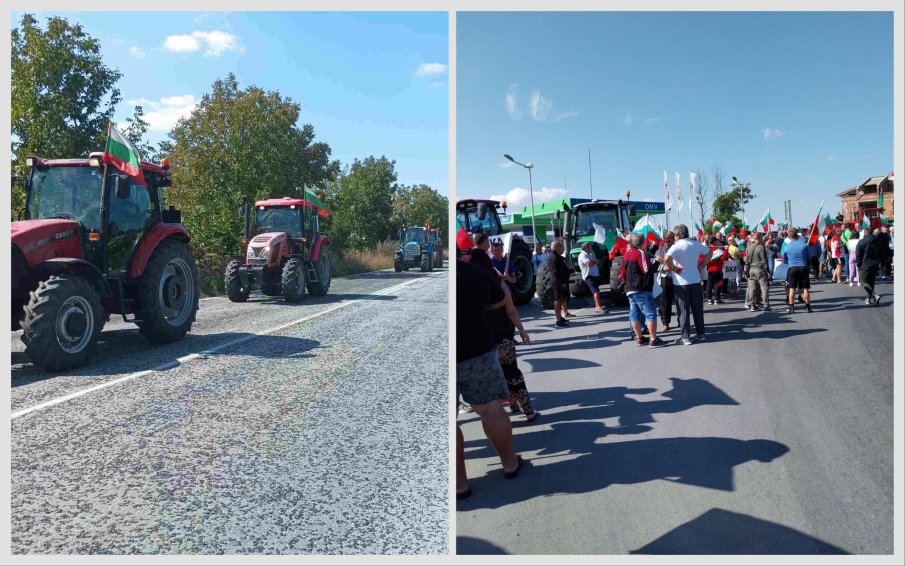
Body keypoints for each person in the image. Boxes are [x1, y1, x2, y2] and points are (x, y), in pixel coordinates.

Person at [456, 260, 524, 499]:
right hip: (477, 351)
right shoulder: (476, 272)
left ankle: (459, 484)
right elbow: (498, 302)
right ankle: (509, 463)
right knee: (490, 409)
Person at [664, 224, 712, 345]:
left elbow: (666, 258)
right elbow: (709, 253)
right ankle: (701, 334)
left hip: (681, 283)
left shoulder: (677, 246)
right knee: (697, 309)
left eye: (674, 235)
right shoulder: (695, 244)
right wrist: (702, 265)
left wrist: (674, 269)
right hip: (695, 280)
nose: (674, 238)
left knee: (683, 310)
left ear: (678, 235)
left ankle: (686, 337)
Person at [619, 233, 666, 348]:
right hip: (641, 288)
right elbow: (647, 270)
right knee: (650, 314)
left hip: (630, 288)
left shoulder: (627, 254)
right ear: (643, 242)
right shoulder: (641, 253)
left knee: (634, 315)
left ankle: (639, 338)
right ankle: (653, 339)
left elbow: (622, 274)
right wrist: (657, 262)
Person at [781, 227, 813, 313]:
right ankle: (807, 307)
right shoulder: (804, 245)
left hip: (792, 268)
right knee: (805, 288)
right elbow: (809, 257)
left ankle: (791, 308)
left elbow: (784, 260)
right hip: (803, 267)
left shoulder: (787, 247)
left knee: (792, 288)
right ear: (797, 235)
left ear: (789, 236)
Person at [547, 239, 574, 326]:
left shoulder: (559, 257)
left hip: (562, 281)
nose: (563, 248)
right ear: (556, 247)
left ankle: (561, 318)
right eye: (561, 246)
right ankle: (558, 321)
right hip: (558, 282)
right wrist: (562, 282)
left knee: (562, 298)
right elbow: (555, 272)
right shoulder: (553, 257)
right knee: (558, 300)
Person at [855, 226, 883, 305]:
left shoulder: (862, 241)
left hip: (865, 264)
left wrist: (859, 264)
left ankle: (874, 295)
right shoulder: (878, 241)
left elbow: (858, 254)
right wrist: (882, 263)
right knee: (871, 282)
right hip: (875, 264)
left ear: (864, 233)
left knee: (863, 281)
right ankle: (868, 298)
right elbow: (882, 252)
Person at [654, 231, 676, 331]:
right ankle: (665, 323)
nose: (668, 239)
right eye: (666, 237)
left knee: (680, 301)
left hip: (678, 278)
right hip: (665, 278)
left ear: (674, 238)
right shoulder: (659, 252)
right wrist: (663, 266)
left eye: (670, 237)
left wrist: (672, 266)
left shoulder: (678, 249)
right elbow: (655, 266)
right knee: (665, 302)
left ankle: (682, 321)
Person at [578, 241, 608, 314]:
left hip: (594, 275)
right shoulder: (582, 255)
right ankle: (598, 307)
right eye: (590, 247)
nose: (591, 249)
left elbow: (596, 261)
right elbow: (589, 264)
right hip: (589, 276)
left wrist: (594, 260)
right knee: (596, 291)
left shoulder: (590, 254)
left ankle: (597, 307)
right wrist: (594, 260)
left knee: (596, 291)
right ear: (586, 248)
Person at [744, 232, 771, 311]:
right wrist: (768, 271)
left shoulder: (749, 247)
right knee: (764, 288)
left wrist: (747, 271)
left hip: (751, 270)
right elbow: (764, 260)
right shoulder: (761, 247)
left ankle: (752, 305)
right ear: (760, 238)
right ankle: (766, 305)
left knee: (752, 288)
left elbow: (747, 261)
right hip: (760, 269)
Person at [705, 236, 725, 305]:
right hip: (718, 270)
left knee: (709, 284)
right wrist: (726, 250)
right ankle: (717, 299)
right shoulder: (719, 251)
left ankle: (709, 299)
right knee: (718, 284)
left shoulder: (707, 250)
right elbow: (724, 258)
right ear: (715, 242)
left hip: (710, 270)